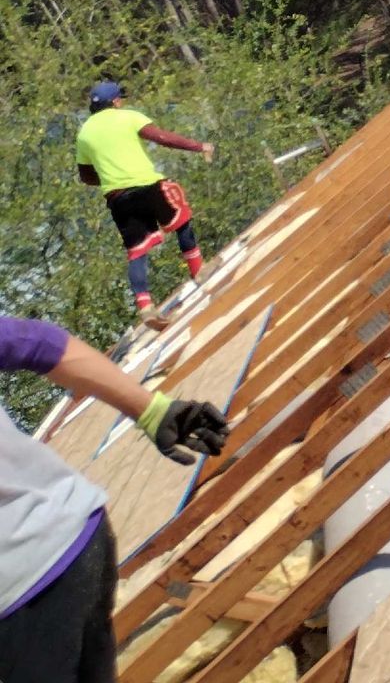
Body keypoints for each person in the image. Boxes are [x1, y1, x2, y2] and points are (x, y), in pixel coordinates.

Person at [0, 316, 229, 682]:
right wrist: (152, 410)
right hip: (74, 533)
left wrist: (153, 412)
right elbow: (36, 342)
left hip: (22, 589)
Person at [74, 82, 214, 329]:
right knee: (180, 215)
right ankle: (198, 270)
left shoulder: (84, 133)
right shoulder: (128, 117)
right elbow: (162, 138)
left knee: (137, 251)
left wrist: (111, 178)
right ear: (116, 102)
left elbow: (85, 176)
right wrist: (199, 146)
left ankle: (146, 307)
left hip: (117, 196)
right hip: (148, 185)